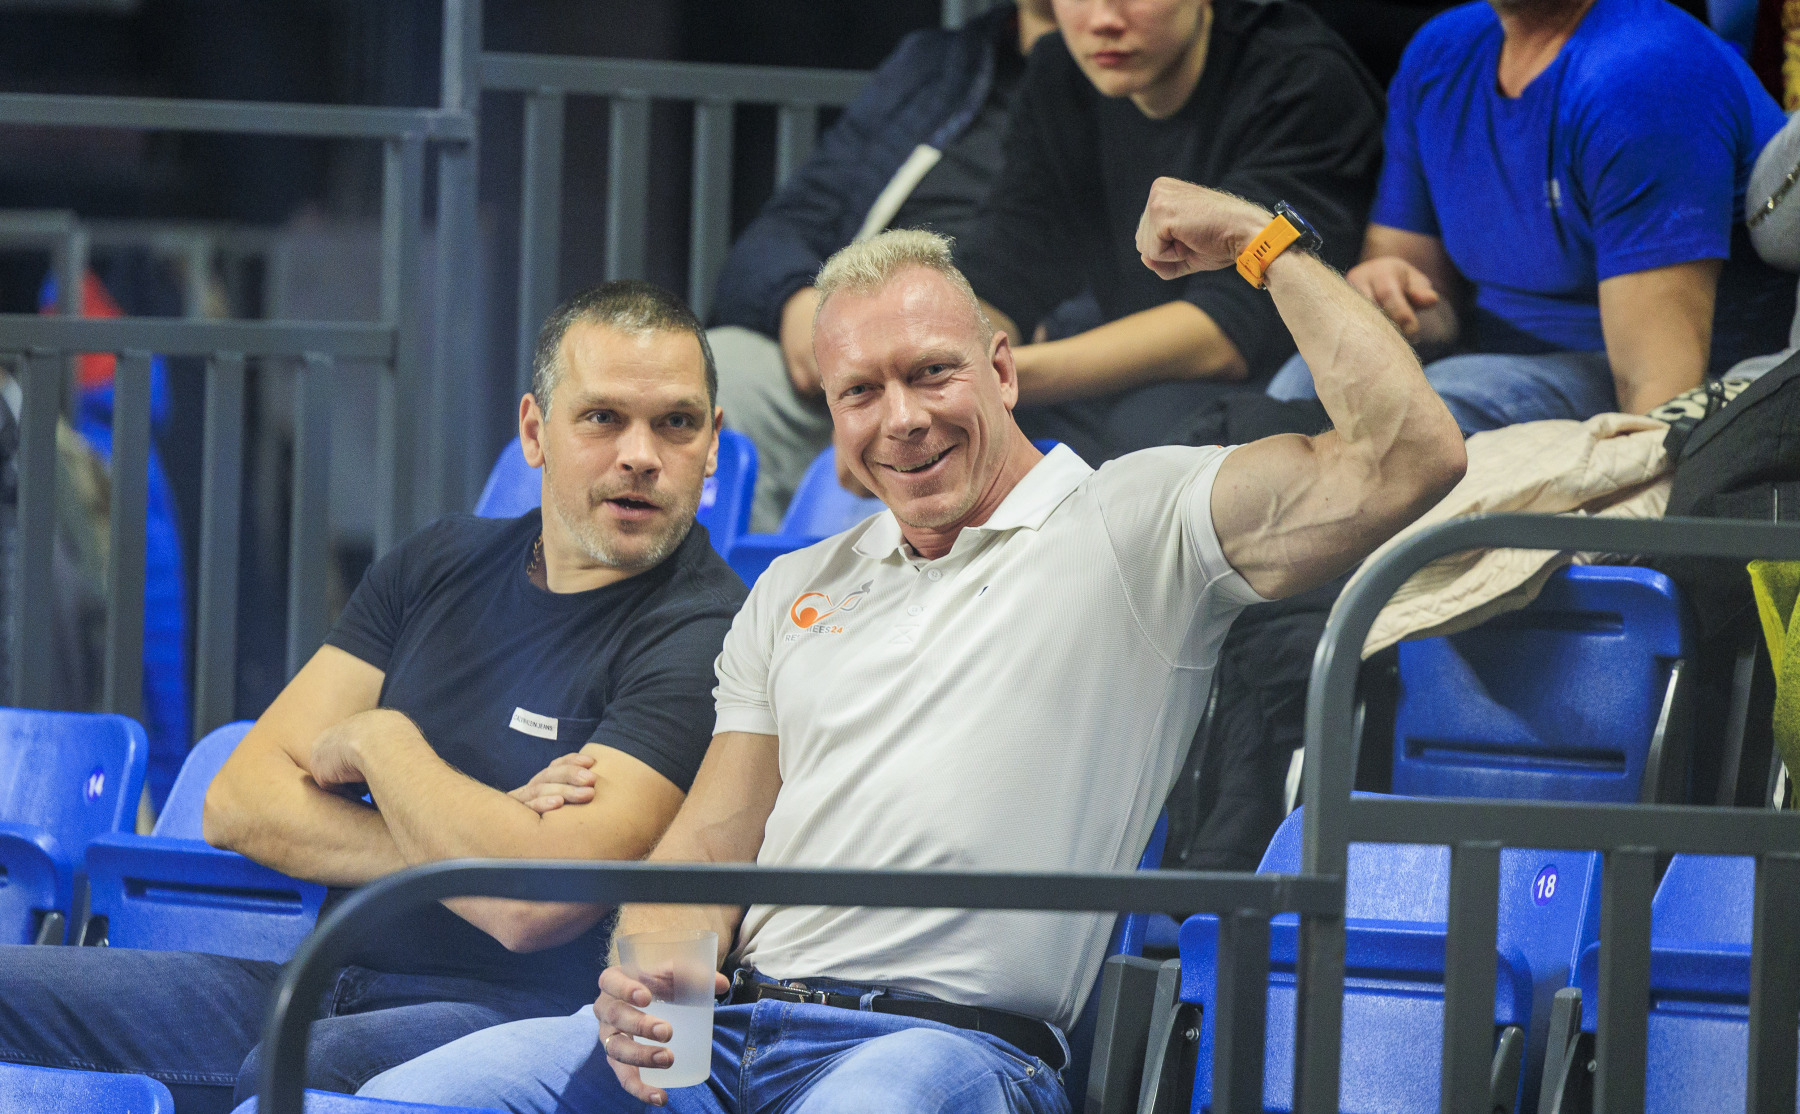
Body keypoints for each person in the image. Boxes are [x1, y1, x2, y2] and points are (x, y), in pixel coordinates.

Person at [358, 183, 1464, 1113]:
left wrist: (1262, 245)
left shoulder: (1137, 523)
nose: (901, 418)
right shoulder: (796, 585)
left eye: (932, 372)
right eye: (861, 392)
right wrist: (652, 1004)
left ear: (1003, 371)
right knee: (402, 1099)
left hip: (954, 1050)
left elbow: (1411, 457)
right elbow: (708, 848)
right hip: (735, 1034)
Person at [0, 281, 747, 1114]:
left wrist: (381, 745)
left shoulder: (709, 629)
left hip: (516, 1023)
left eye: (675, 423)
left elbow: (530, 902)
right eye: (603, 418)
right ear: (536, 432)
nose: (640, 454)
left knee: (296, 1067)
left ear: (713, 443)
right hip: (318, 976)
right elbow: (239, 801)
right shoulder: (440, 563)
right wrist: (482, 835)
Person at [1267, 0, 1796, 431]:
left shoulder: (1643, 72)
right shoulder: (1440, 51)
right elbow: (1423, 292)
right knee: (1305, 378)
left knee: (1435, 403)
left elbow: (1658, 394)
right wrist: (1394, 296)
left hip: (1687, 376)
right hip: (1497, 351)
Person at [944, 0, 1385, 465]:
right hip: (1132, 366)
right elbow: (1004, 263)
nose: (1104, 20)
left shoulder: (1300, 77)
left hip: (1285, 380)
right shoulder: (1061, 70)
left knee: (1143, 422)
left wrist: (999, 374)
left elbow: (1230, 331)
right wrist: (940, 359)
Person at [710, 1, 1078, 531]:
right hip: (844, 349)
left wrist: (981, 350)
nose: (1105, 21)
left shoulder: (1126, 89)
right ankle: (735, 587)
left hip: (1010, 368)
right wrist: (801, 305)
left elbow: (1107, 273)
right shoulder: (935, 63)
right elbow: (787, 225)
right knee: (717, 375)